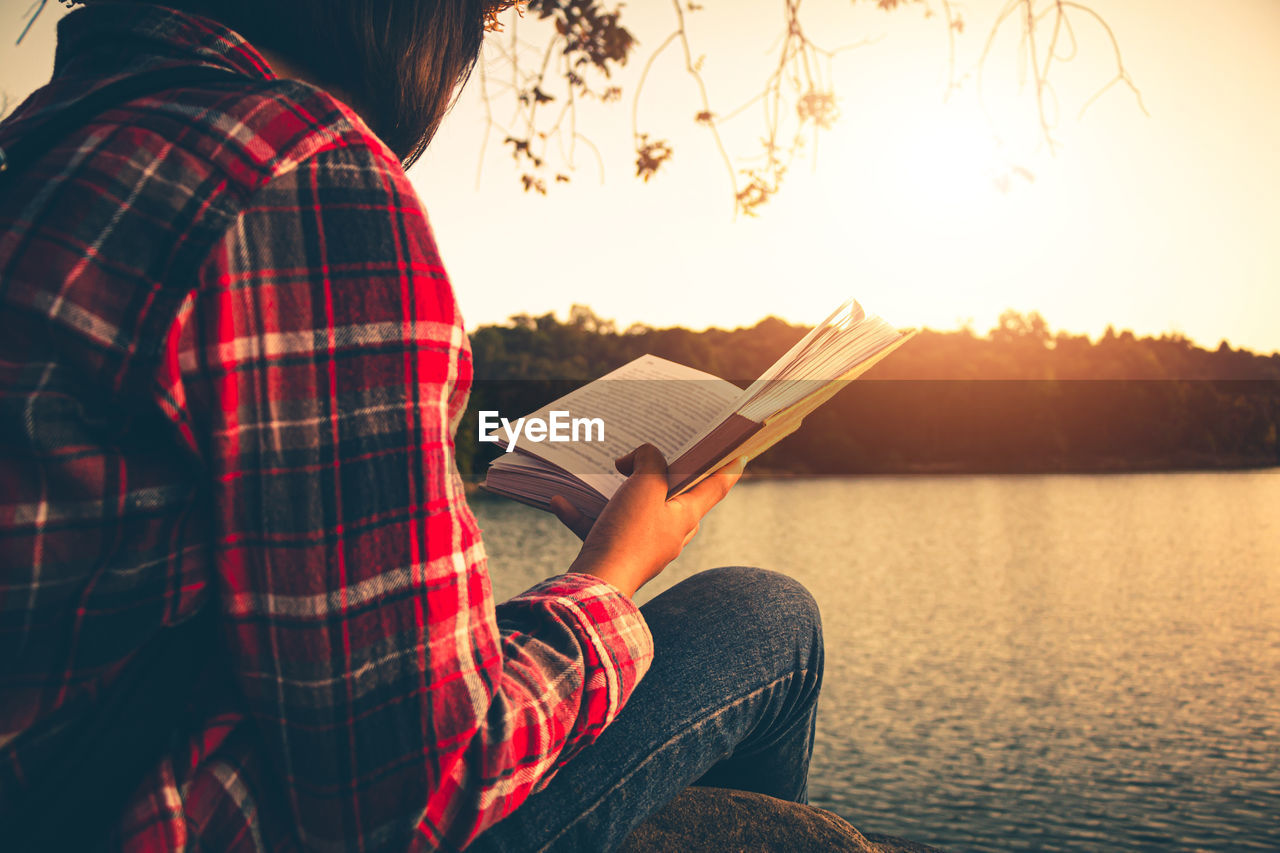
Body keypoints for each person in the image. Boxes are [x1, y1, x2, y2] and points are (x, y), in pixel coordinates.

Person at [0, 1, 824, 850]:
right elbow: (416, 788)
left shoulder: (44, 148)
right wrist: (614, 569)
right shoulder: (299, 168)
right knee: (765, 613)